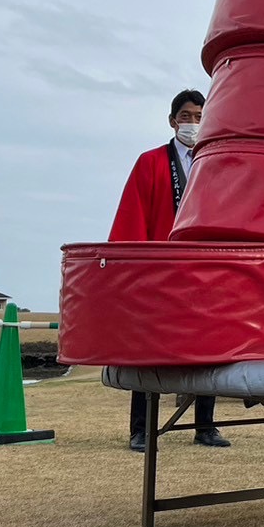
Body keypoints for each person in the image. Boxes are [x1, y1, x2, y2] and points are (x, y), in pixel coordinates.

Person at [110, 89, 230, 451]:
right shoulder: (150, 162)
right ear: (172, 121)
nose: (192, 123)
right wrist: (132, 269)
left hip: (204, 269)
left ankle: (205, 426)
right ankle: (141, 429)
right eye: (186, 116)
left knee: (209, 348)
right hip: (159, 270)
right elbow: (133, 215)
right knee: (148, 349)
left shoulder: (217, 162)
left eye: (199, 117)